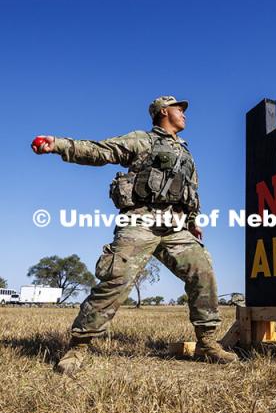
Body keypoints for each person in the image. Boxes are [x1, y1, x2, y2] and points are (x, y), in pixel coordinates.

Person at [31, 95, 238, 374]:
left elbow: (190, 192)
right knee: (116, 280)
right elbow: (100, 151)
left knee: (203, 272)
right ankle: (78, 347)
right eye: (180, 109)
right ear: (164, 111)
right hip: (140, 222)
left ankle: (207, 342)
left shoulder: (186, 152)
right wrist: (58, 145)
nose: (185, 114)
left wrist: (193, 222)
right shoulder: (142, 140)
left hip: (175, 227)